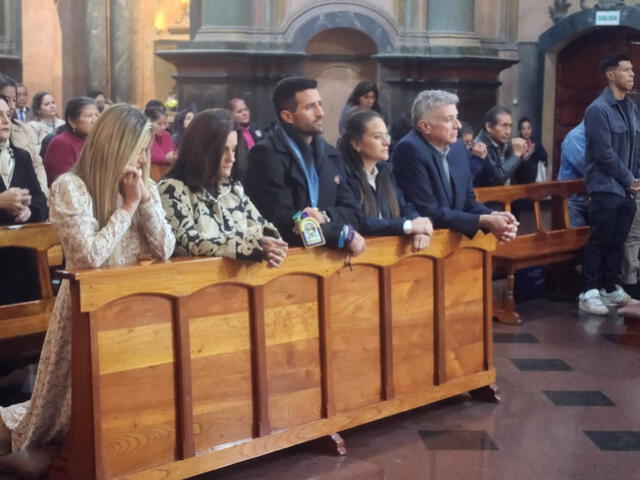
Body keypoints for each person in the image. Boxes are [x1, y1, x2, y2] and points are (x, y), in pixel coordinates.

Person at [0, 104, 175, 477]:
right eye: (138, 149)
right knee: (67, 407)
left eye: (147, 149)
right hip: (86, 309)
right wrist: (126, 207)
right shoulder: (70, 187)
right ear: (115, 145)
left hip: (135, 307)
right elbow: (89, 257)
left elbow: (165, 249)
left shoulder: (144, 188)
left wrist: (144, 203)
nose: (144, 159)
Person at [243, 76, 365, 255]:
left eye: (320, 104)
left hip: (330, 259)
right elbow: (280, 221)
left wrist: (324, 216)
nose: (320, 113)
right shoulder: (266, 155)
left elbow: (353, 212)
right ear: (287, 116)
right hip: (288, 260)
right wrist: (338, 233)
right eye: (310, 107)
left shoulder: (331, 154)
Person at [159, 108, 287, 265]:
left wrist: (270, 244)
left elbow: (263, 226)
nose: (231, 158)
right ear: (201, 150)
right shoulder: (172, 188)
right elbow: (190, 243)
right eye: (223, 151)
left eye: (234, 149)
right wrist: (250, 243)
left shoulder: (232, 187)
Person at [392, 90, 518, 242]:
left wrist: (493, 216)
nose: (458, 125)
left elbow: (468, 201)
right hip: (426, 240)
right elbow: (429, 211)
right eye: (449, 119)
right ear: (425, 127)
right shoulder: (409, 149)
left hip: (455, 238)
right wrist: (484, 220)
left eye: (456, 117)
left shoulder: (458, 147)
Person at [578, 53, 640, 315]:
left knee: (618, 239)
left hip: (626, 187)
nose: (632, 74)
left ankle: (609, 287)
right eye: (626, 70)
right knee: (600, 238)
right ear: (611, 75)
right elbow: (604, 154)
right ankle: (588, 291)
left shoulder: (631, 107)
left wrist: (634, 177)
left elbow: (636, 146)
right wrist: (628, 178)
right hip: (605, 186)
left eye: (632, 70)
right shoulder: (598, 109)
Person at [338, 109, 433, 251]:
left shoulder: (386, 171)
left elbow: (405, 206)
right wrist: (408, 226)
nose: (386, 142)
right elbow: (361, 223)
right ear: (356, 144)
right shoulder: (345, 176)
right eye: (377, 137)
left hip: (390, 250)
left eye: (386, 135)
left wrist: (419, 226)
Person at [0, 93, 48, 306]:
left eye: (7, 115)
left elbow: (40, 200)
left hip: (22, 258)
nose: (6, 121)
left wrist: (30, 211)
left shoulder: (21, 156)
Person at [0, 75, 47, 196]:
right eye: (6, 100)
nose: (11, 106)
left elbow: (37, 164)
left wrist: (41, 195)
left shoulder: (23, 128)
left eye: (14, 100)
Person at [44, 97, 99, 185]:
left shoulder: (96, 142)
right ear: (72, 122)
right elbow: (65, 184)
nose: (95, 120)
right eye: (88, 116)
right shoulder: (60, 144)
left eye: (97, 115)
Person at [472, 106, 527, 187]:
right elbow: (496, 179)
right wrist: (516, 155)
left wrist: (523, 157)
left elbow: (520, 178)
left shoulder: (505, 144)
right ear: (489, 127)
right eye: (504, 126)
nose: (508, 132)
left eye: (510, 126)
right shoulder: (479, 146)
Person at [558, 121, 588, 227]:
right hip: (573, 199)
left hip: (587, 196)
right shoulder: (575, 138)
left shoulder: (592, 135)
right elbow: (587, 168)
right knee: (577, 239)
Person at [512, 116, 548, 184]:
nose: (526, 131)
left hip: (534, 180)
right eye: (523, 128)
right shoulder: (516, 143)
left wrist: (534, 151)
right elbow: (514, 166)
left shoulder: (535, 143)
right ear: (519, 131)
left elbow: (545, 157)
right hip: (520, 181)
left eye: (528, 128)